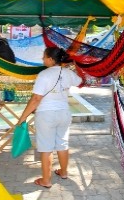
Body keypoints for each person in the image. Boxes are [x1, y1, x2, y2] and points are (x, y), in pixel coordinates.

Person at [17, 47, 82, 188]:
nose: (42, 59)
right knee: (62, 144)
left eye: (44, 57)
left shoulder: (44, 75)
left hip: (46, 115)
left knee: (46, 147)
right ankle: (63, 172)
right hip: (64, 113)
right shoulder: (68, 73)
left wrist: (23, 117)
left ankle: (46, 180)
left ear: (51, 59)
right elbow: (79, 81)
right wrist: (68, 70)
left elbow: (36, 98)